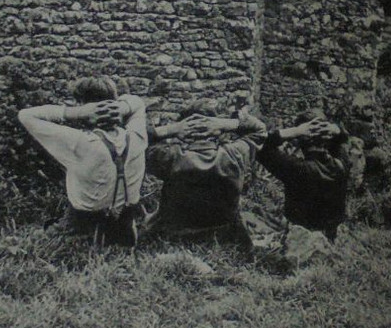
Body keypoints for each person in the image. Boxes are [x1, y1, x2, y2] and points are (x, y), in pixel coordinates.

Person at [19, 76, 148, 248]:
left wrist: (76, 112)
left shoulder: (80, 142)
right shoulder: (136, 136)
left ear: (84, 105)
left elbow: (25, 115)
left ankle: (81, 243)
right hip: (123, 229)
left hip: (81, 227)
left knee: (30, 244)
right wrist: (120, 107)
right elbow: (138, 103)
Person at [141, 98, 272, 257]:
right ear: (217, 132)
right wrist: (224, 124)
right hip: (226, 242)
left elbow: (137, 139)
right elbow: (259, 130)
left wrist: (171, 129)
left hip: (175, 241)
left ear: (183, 133)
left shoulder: (169, 157)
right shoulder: (234, 155)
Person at [255, 109, 351, 268]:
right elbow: (342, 141)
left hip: (300, 241)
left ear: (301, 141)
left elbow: (260, 147)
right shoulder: (341, 166)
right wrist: (335, 130)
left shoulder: (296, 169)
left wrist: (294, 132)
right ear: (327, 139)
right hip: (331, 237)